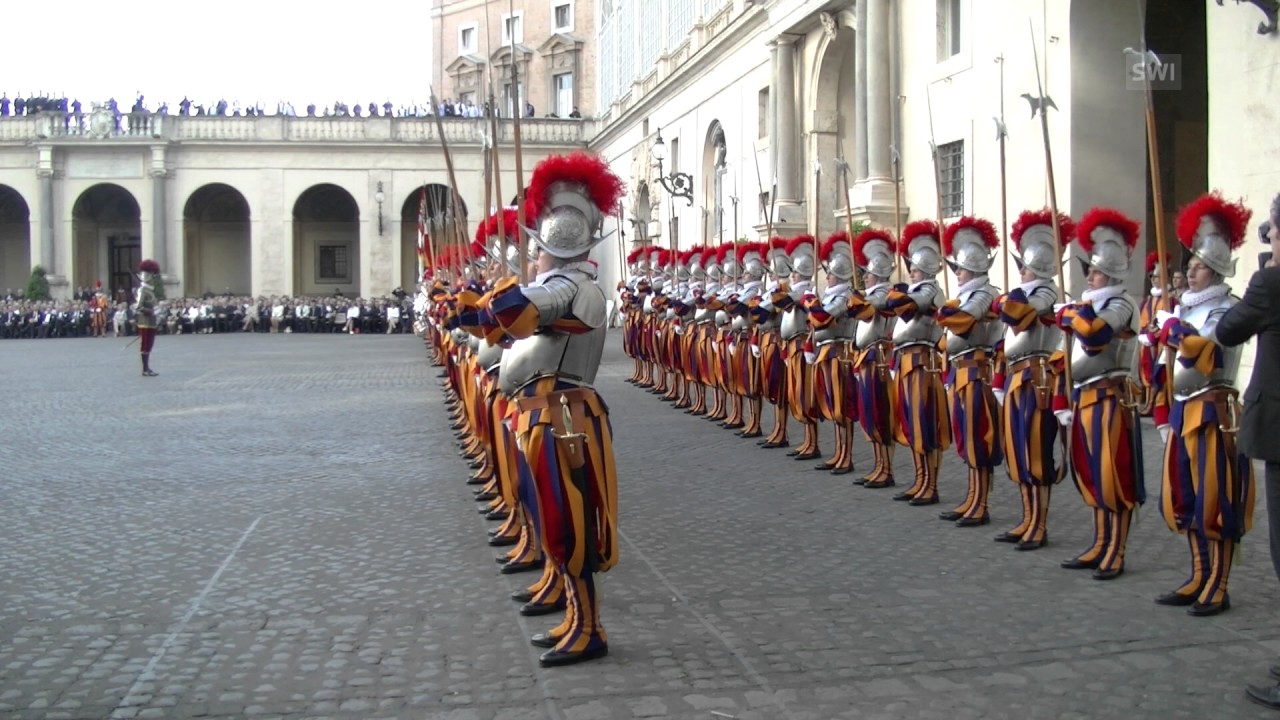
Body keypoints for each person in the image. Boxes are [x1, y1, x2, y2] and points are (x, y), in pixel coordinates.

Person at [472, 151, 622, 667]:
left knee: (569, 524)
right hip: (541, 415)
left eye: (536, 249)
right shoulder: (557, 284)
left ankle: (590, 628)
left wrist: (499, 294)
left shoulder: (573, 288)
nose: (530, 257)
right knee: (549, 516)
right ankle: (574, 615)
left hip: (564, 420)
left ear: (552, 247)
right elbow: (496, 326)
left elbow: (517, 312)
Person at [1154, 191, 1254, 615]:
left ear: (1213, 270)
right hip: (1184, 408)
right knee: (1186, 495)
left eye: (1196, 267)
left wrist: (1172, 328)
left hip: (1213, 410)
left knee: (1216, 500)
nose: (1189, 273)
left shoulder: (1226, 308)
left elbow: (1204, 351)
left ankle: (1220, 582)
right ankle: (1199, 572)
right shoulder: (1187, 308)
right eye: (1190, 265)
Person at [992, 210, 1070, 550]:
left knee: (1036, 451)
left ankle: (1040, 523)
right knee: (1017, 451)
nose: (1020, 270)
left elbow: (1019, 318)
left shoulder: (1046, 294)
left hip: (1037, 379)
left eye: (1024, 265)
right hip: (1016, 376)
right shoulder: (1025, 292)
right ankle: (1026, 517)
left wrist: (1007, 299)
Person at [936, 217, 1004, 526]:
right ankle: (972, 496)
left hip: (978, 373)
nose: (957, 274)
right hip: (960, 373)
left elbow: (963, 321)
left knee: (979, 438)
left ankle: (982, 502)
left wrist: (948, 312)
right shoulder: (965, 294)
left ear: (974, 269)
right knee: (965, 438)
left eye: (960, 269)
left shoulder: (985, 293)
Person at [885, 220, 950, 506]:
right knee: (910, 424)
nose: (910, 271)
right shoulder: (916, 288)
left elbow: (910, 305)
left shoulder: (931, 290)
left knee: (925, 425)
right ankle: (919, 478)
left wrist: (899, 292)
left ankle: (931, 485)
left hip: (923, 364)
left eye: (914, 267)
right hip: (905, 362)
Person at [847, 228, 899, 488]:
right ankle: (879, 465)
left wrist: (855, 299)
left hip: (879, 360)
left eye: (867, 272)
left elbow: (866, 312)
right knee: (869, 414)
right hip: (866, 359)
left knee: (880, 414)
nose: (864, 276)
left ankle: (887, 468)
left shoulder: (883, 295)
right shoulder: (871, 294)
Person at [134, 259, 161, 376]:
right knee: (145, 344)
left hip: (152, 320)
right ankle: (145, 369)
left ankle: (147, 368)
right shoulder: (143, 290)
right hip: (145, 320)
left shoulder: (151, 290)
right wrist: (149, 311)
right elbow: (138, 307)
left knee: (150, 344)